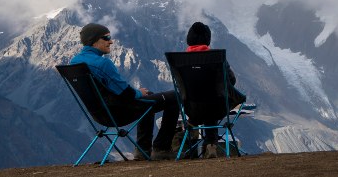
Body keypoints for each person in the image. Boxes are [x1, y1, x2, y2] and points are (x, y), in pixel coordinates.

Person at [70, 23, 179, 161]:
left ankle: (143, 150)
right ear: (94, 40)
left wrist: (140, 93)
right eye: (106, 37)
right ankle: (161, 148)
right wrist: (139, 93)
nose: (111, 41)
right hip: (118, 113)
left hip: (98, 114)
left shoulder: (75, 61)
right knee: (175, 97)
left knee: (148, 97)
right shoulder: (102, 63)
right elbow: (126, 93)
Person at [184, 21, 247, 158]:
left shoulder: (180, 60)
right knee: (214, 102)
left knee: (204, 104)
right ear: (208, 39)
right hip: (216, 107)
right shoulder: (216, 58)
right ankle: (211, 144)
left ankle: (193, 134)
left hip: (192, 108)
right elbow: (231, 80)